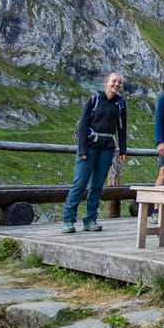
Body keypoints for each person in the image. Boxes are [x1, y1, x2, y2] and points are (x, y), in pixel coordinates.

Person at [63, 72, 127, 233]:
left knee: (97, 185)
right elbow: (82, 125)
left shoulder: (120, 104)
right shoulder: (94, 100)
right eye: (114, 81)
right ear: (106, 82)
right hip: (90, 147)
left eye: (119, 82)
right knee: (80, 183)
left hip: (107, 148)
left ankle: (90, 219)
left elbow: (122, 128)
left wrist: (123, 149)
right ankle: (68, 220)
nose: (116, 84)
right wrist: (82, 149)